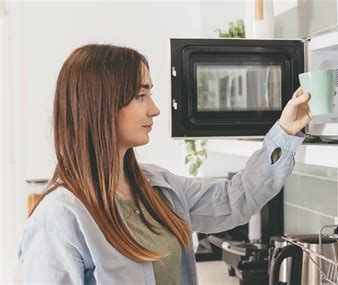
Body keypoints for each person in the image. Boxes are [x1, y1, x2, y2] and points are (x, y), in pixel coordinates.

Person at [17, 44, 311, 285]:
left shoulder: (160, 188)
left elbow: (236, 199)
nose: (155, 109)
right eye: (140, 95)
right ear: (101, 106)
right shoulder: (59, 218)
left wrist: (284, 132)